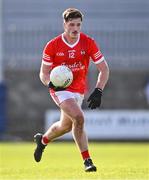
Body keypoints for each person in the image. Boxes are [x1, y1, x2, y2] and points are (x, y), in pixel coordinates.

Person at [34, 8, 109, 172]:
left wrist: (99, 90)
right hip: (60, 89)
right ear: (64, 24)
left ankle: (43, 140)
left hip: (78, 90)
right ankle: (87, 161)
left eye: (78, 25)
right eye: (72, 24)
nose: (75, 28)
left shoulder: (88, 42)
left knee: (66, 126)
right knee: (79, 118)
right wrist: (49, 83)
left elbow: (104, 69)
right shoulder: (52, 45)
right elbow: (43, 73)